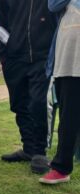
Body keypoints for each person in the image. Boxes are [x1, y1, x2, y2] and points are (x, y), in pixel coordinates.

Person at [0, 0, 57, 174]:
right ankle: (28, 148)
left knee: (38, 103)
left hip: (42, 58)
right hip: (14, 58)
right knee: (18, 104)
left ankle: (39, 152)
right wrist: (4, 53)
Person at [40, 0, 80, 184]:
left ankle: (62, 166)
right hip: (68, 60)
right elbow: (52, 5)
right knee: (68, 116)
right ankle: (62, 167)